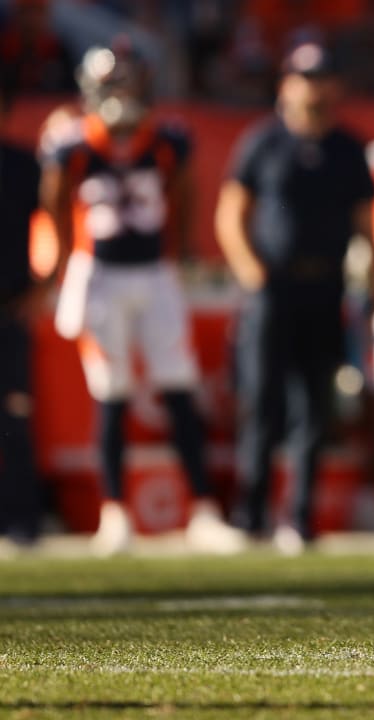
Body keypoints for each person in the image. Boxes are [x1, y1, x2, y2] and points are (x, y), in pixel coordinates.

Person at [42, 40, 245, 556]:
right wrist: (64, 265)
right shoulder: (72, 144)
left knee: (178, 389)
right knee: (111, 393)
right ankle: (115, 514)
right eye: (113, 84)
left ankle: (202, 511)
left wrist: (179, 253)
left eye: (129, 82)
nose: (122, 94)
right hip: (102, 275)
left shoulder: (168, 139)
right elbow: (56, 204)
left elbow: (184, 193)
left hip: (154, 273)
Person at [215, 42, 374, 553]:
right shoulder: (263, 142)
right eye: (308, 76)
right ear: (287, 83)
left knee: (315, 404)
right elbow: (231, 213)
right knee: (261, 401)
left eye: (324, 75)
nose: (317, 86)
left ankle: (300, 516)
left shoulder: (349, 148)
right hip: (273, 287)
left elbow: (364, 226)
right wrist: (252, 273)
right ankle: (251, 513)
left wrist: (371, 280)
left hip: (325, 286)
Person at [0, 69, 43, 547]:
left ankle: (22, 520)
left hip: (8, 309)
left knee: (15, 417)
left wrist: (42, 285)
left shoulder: (22, 165)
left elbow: (56, 222)